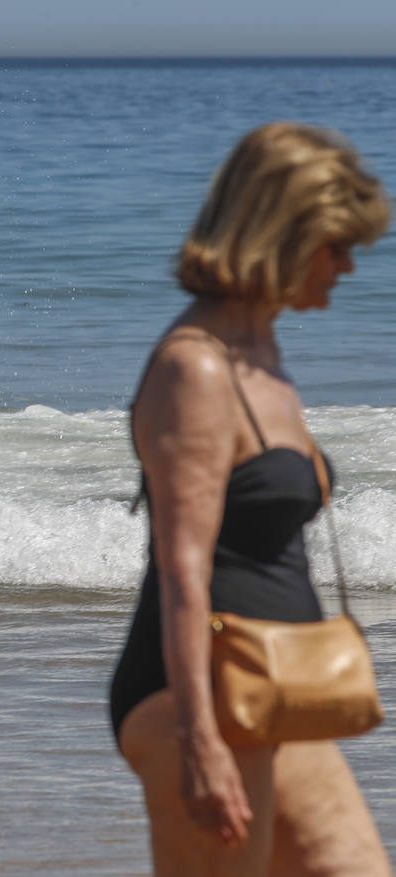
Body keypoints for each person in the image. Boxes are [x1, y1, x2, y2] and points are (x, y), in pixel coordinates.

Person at [108, 123, 391, 874]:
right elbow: (182, 570)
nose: (348, 268)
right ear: (281, 234)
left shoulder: (260, 351)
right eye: (335, 246)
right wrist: (199, 741)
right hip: (198, 697)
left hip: (276, 690)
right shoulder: (195, 369)